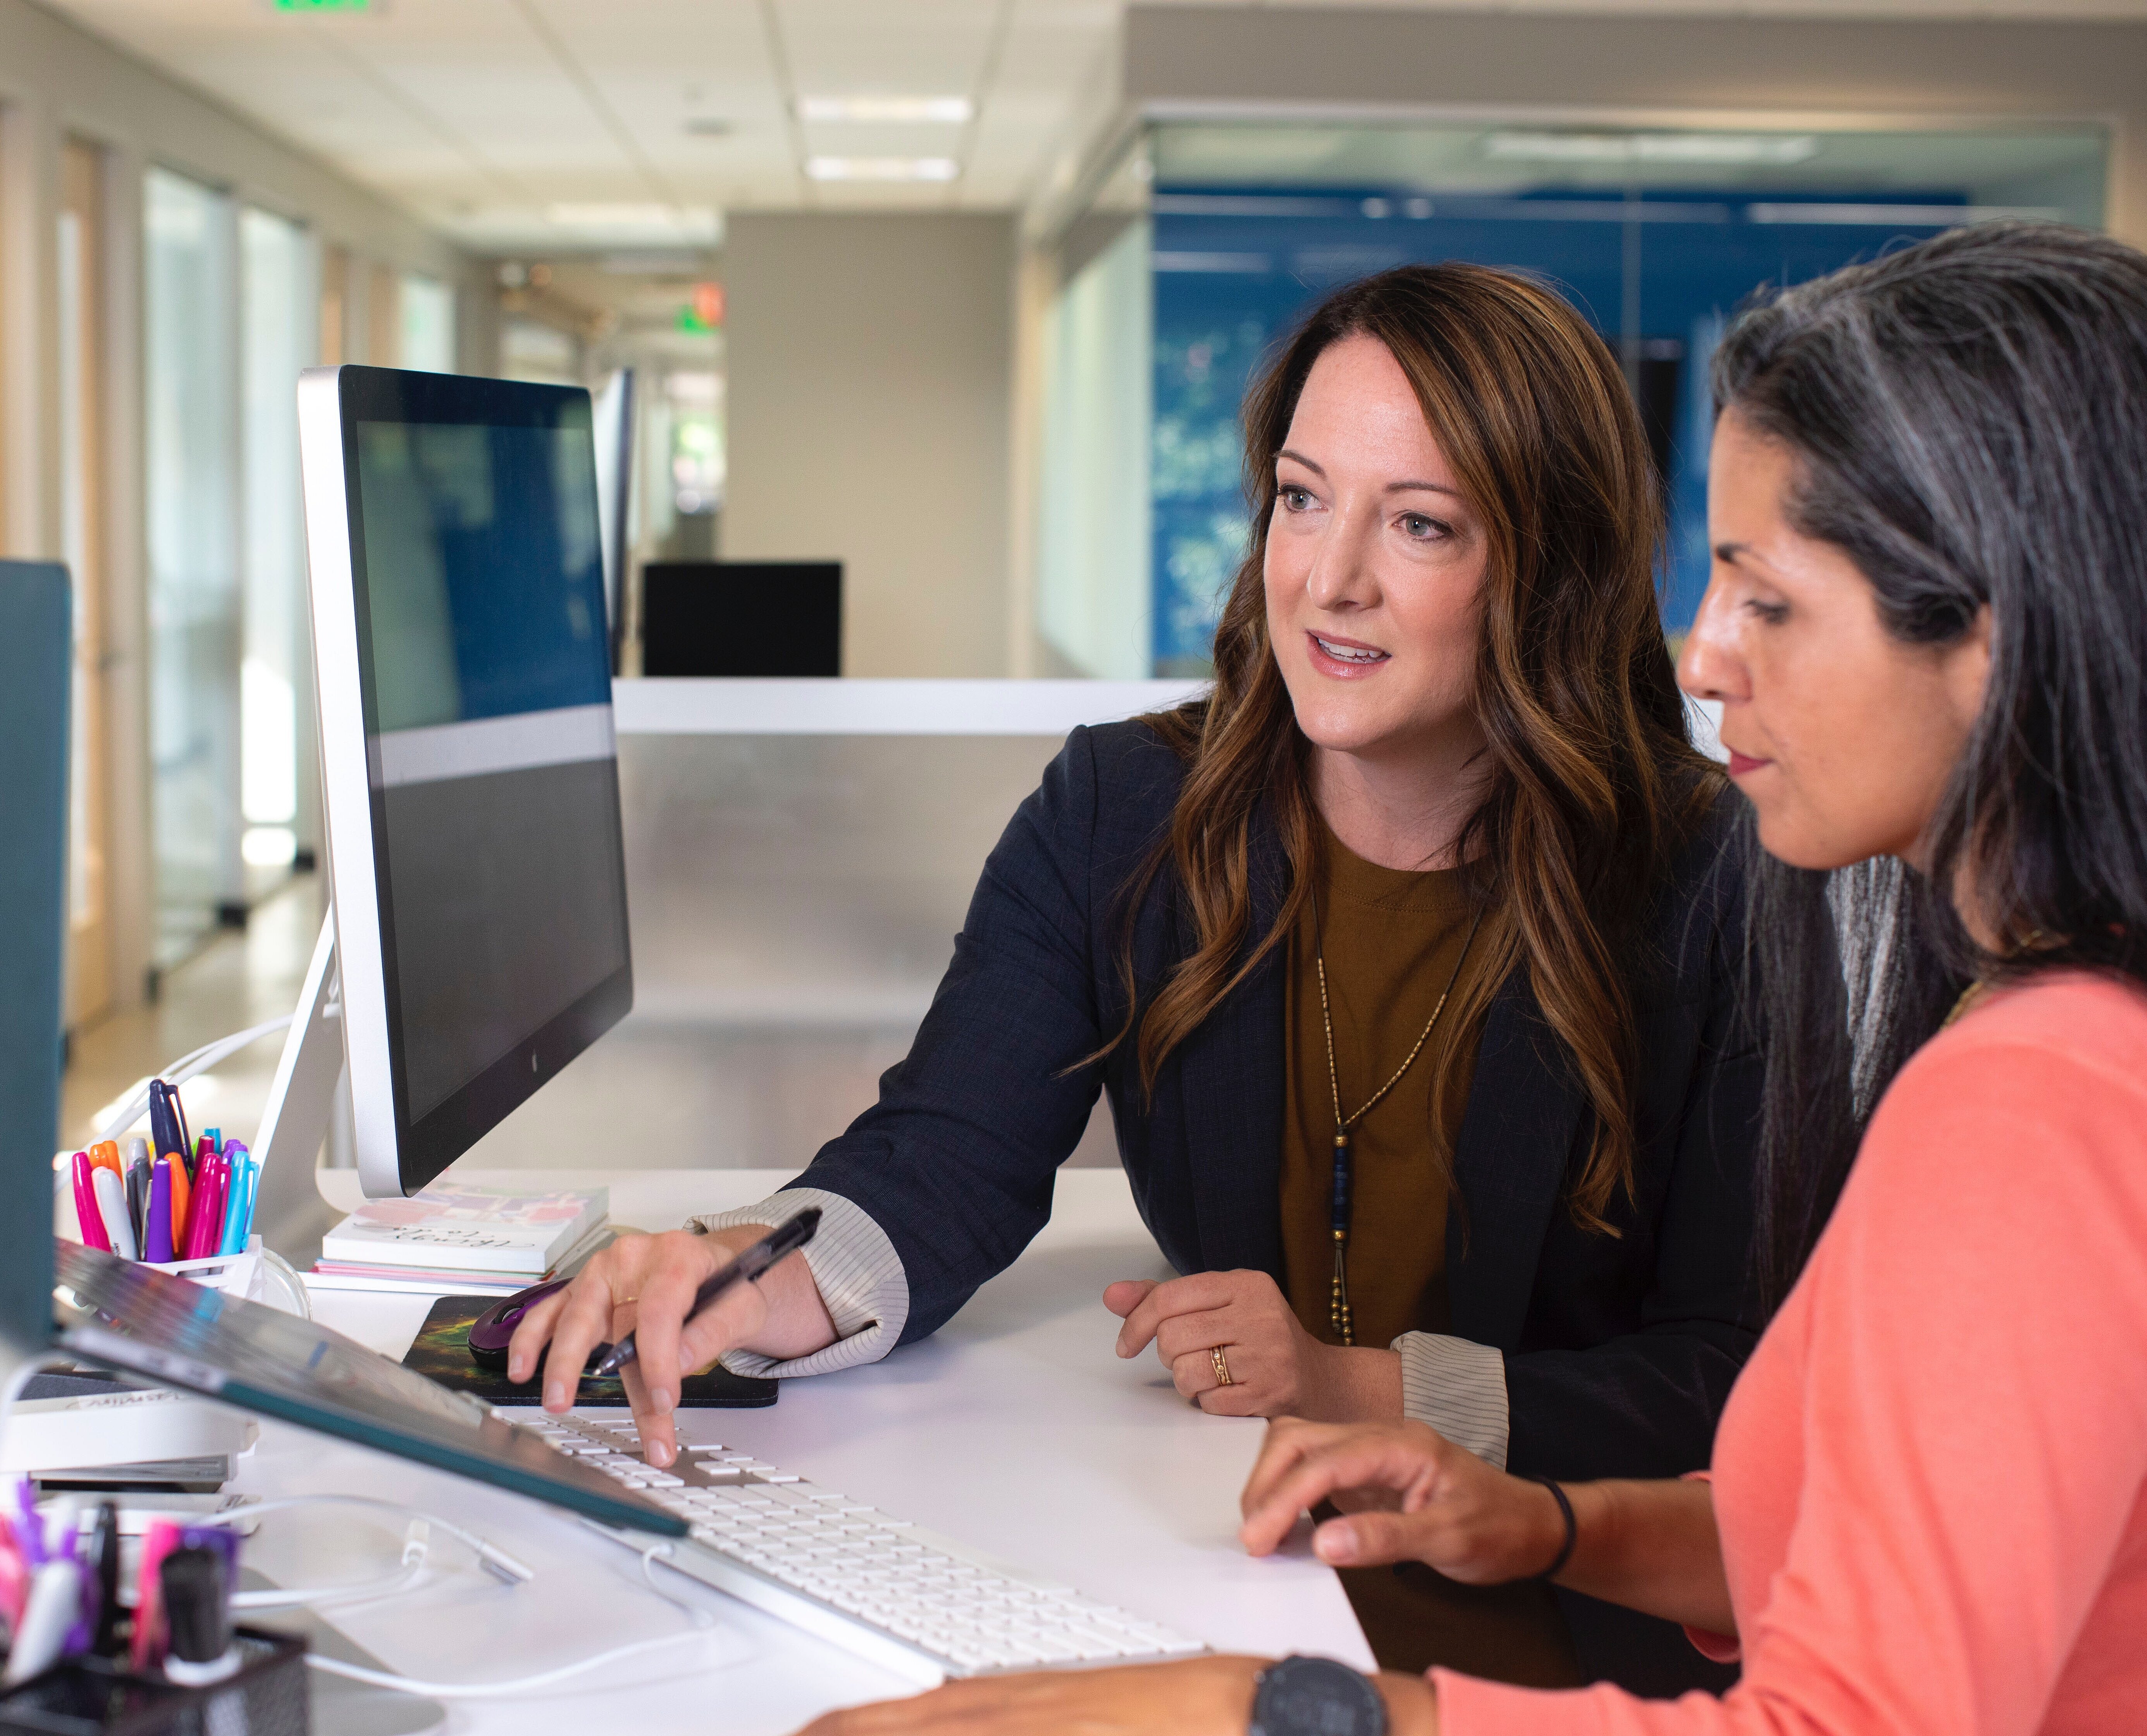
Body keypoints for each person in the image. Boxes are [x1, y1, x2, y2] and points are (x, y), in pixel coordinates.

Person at [792, 219, 2147, 1736]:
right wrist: (1543, 1521)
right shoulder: (2034, 1029)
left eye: (1768, 595)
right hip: (1388, 1556)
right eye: (1301, 502)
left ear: (1995, 633)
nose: (1705, 656)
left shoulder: (2020, 1086)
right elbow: (1855, 1529)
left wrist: (1271, 1709)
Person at [513, 263, 1764, 1689]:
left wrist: (1365, 1386)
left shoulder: (1709, 883)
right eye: (1302, 499)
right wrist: (747, 1274)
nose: (1327, 579)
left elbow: (1730, 1376)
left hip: (1570, 1633)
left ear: (1550, 570)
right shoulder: (1126, 812)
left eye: (1419, 525)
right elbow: (944, 1154)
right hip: (1230, 1573)